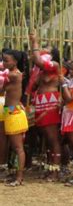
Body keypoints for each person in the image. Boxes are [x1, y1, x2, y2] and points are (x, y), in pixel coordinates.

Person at [29, 31, 62, 181]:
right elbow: (34, 86)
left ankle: (55, 171)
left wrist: (34, 41)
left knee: (53, 138)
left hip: (50, 103)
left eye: (46, 51)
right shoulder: (42, 71)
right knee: (46, 138)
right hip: (41, 103)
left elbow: (37, 60)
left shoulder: (55, 65)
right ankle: (50, 168)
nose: (43, 52)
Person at [1, 49, 29, 186]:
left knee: (18, 148)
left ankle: (19, 177)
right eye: (3, 60)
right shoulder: (11, 74)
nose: (4, 62)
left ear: (15, 62)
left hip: (14, 113)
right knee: (14, 146)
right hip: (10, 111)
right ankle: (15, 174)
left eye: (6, 60)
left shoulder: (14, 75)